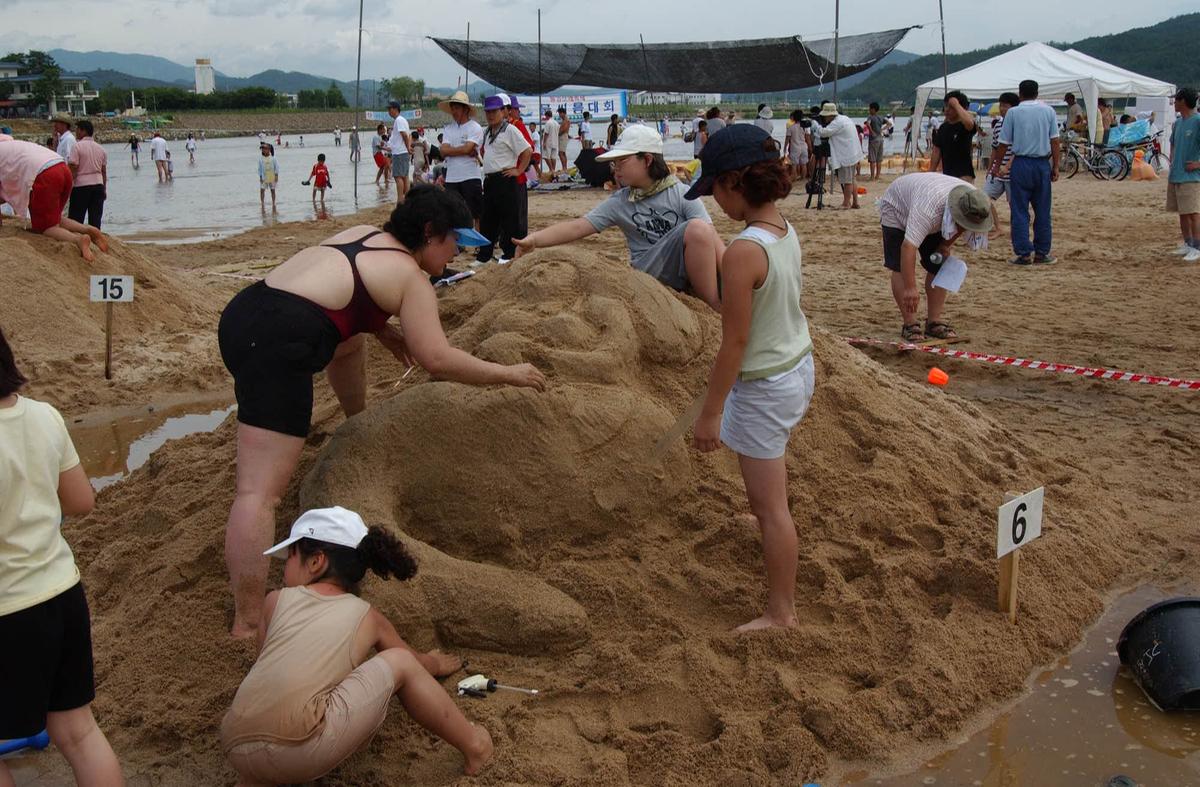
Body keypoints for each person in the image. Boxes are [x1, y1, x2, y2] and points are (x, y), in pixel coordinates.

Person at [217, 186, 546, 638]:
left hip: (245, 311)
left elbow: (342, 293)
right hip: (278, 342)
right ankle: (248, 624)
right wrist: (509, 373)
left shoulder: (363, 233)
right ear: (430, 234)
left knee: (348, 341)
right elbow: (437, 358)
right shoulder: (412, 278)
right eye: (455, 243)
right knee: (258, 493)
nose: (458, 255)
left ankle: (356, 421)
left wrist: (382, 329)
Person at [220, 507, 493, 784]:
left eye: (290, 557)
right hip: (301, 750)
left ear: (316, 562)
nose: (284, 567)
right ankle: (475, 745)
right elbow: (415, 662)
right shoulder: (368, 616)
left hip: (235, 742)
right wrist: (435, 663)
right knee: (400, 661)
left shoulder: (274, 601)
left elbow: (267, 665)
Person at [681, 125, 814, 632]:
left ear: (736, 182)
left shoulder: (741, 252)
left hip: (765, 384)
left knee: (772, 509)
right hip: (797, 365)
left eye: (715, 187)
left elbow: (734, 341)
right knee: (768, 481)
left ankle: (781, 613)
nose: (713, 200)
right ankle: (764, 510)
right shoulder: (782, 227)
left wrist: (711, 412)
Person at [0, 327, 125, 787]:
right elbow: (81, 502)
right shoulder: (43, 416)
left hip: (6, 610)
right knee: (79, 732)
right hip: (60, 594)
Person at [514, 125, 725, 310]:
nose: (616, 169)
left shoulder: (679, 192)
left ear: (648, 160)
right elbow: (578, 227)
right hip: (649, 274)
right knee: (698, 229)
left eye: (622, 160)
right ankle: (712, 305)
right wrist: (534, 239)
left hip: (683, 271)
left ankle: (716, 295)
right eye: (614, 162)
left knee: (702, 231)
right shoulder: (622, 201)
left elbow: (713, 241)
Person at [878, 173, 994, 342]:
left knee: (939, 263)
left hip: (929, 203)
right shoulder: (927, 211)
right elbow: (908, 247)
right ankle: (910, 324)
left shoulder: (975, 200)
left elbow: (961, 226)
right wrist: (911, 288)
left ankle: (934, 321)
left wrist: (944, 245)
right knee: (899, 267)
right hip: (896, 206)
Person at [0, 134, 109, 261]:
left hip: (44, 175)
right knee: (54, 217)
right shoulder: (13, 146)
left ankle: (78, 239)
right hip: (61, 167)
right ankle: (88, 229)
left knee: (46, 227)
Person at [989, 79, 1060, 266]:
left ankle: (1023, 253)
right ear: (1037, 93)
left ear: (1020, 94)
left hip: (1020, 163)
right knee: (1043, 210)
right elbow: (1055, 141)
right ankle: (1042, 253)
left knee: (1019, 210)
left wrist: (996, 166)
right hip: (1041, 163)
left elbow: (1003, 144)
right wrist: (1056, 166)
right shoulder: (1048, 111)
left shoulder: (1013, 112)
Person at [475, 94, 531, 266]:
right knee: (488, 219)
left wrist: (519, 170)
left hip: (506, 179)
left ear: (502, 111)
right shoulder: (487, 131)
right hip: (490, 179)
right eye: (487, 112)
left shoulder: (510, 129)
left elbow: (527, 150)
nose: (490, 115)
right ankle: (484, 256)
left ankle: (509, 254)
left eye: (494, 111)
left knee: (510, 219)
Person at [438, 91, 484, 231]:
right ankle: (458, 242)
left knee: (476, 212)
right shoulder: (448, 129)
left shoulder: (474, 127)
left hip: (470, 175)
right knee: (453, 212)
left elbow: (467, 148)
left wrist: (453, 151)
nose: (454, 111)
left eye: (457, 108)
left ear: (465, 109)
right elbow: (443, 151)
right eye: (452, 108)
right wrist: (463, 150)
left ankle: (479, 243)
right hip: (452, 177)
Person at [1167, 87, 1200, 262]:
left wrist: (1197, 164)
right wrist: (1172, 157)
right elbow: (1172, 143)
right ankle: (1188, 243)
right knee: (1183, 212)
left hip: (1192, 177)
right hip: (1177, 174)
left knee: (1193, 212)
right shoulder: (1178, 123)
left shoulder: (1198, 121)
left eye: (1176, 100)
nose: (1174, 103)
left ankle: (1197, 246)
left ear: (1184, 102)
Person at [982, 92, 1020, 239]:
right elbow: (995, 148)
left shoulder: (1018, 125)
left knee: (1014, 204)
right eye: (1001, 105)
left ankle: (1016, 230)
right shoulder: (998, 125)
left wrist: (1008, 166)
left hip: (1012, 171)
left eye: (1005, 105)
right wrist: (991, 168)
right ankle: (998, 227)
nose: (1002, 108)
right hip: (997, 171)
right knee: (984, 197)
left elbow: (1018, 149)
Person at [814, 102, 863, 209]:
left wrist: (815, 126)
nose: (824, 118)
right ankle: (855, 202)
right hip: (852, 152)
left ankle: (846, 203)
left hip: (846, 154)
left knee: (847, 181)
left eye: (825, 116)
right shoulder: (844, 118)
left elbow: (823, 132)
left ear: (830, 115)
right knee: (851, 178)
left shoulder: (836, 123)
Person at [503, 95, 537, 240]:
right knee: (517, 213)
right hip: (516, 176)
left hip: (511, 174)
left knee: (511, 212)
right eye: (517, 109)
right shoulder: (516, 125)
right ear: (511, 110)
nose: (518, 112)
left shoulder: (509, 126)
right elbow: (530, 147)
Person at [67, 120, 107, 230]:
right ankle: (95, 240)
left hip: (81, 185)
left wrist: (69, 185)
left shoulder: (77, 147)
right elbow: (103, 171)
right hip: (98, 185)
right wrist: (104, 189)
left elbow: (73, 167)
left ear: (83, 131)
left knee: (76, 218)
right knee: (95, 219)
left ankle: (76, 240)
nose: (76, 132)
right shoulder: (101, 149)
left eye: (78, 130)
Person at [929, 91, 977, 182]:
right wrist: (931, 172)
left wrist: (956, 104)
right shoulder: (943, 127)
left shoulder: (964, 125)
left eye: (951, 107)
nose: (947, 109)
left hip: (964, 175)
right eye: (946, 106)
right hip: (947, 175)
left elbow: (970, 123)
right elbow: (936, 151)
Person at [386, 100, 412, 204]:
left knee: (398, 177)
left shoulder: (399, 120)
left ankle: (400, 199)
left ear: (395, 109)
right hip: (402, 152)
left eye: (390, 109)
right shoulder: (403, 120)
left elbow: (405, 135)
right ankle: (407, 199)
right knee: (405, 176)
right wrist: (408, 148)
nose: (389, 111)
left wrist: (407, 147)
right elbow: (409, 135)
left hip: (399, 153)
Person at [865, 102, 892, 181]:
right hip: (880, 139)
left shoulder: (870, 117)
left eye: (870, 108)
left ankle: (872, 177)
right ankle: (877, 176)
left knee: (872, 159)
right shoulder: (881, 117)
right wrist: (882, 129)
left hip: (873, 139)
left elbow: (868, 124)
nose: (869, 110)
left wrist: (871, 131)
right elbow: (889, 123)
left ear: (873, 109)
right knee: (879, 159)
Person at [784, 109, 810, 179]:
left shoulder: (791, 128)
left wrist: (785, 148)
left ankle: (794, 177)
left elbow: (787, 139)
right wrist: (810, 147)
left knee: (794, 164)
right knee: (804, 164)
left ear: (794, 117)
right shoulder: (805, 127)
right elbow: (807, 138)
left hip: (795, 148)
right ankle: (803, 178)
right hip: (804, 147)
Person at [258, 142, 279, 212]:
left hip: (272, 176)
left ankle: (273, 203)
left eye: (265, 149)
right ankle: (262, 203)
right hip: (264, 177)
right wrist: (260, 177)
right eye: (262, 149)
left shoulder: (273, 158)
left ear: (269, 150)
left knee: (272, 190)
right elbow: (260, 169)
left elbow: (276, 167)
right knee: (262, 190)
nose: (263, 150)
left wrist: (276, 175)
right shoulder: (261, 159)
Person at [540, 109, 559, 179]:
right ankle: (553, 169)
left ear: (547, 116)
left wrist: (544, 142)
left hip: (549, 141)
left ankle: (551, 169)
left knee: (545, 156)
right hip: (555, 141)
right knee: (553, 157)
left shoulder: (548, 123)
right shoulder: (556, 123)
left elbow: (546, 133)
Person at [556, 107, 570, 172]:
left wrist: (558, 134)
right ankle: (565, 167)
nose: (559, 115)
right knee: (563, 153)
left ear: (563, 113)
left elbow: (564, 129)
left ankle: (564, 168)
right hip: (562, 136)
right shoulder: (564, 120)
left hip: (563, 136)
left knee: (561, 153)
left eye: (559, 114)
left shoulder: (566, 120)